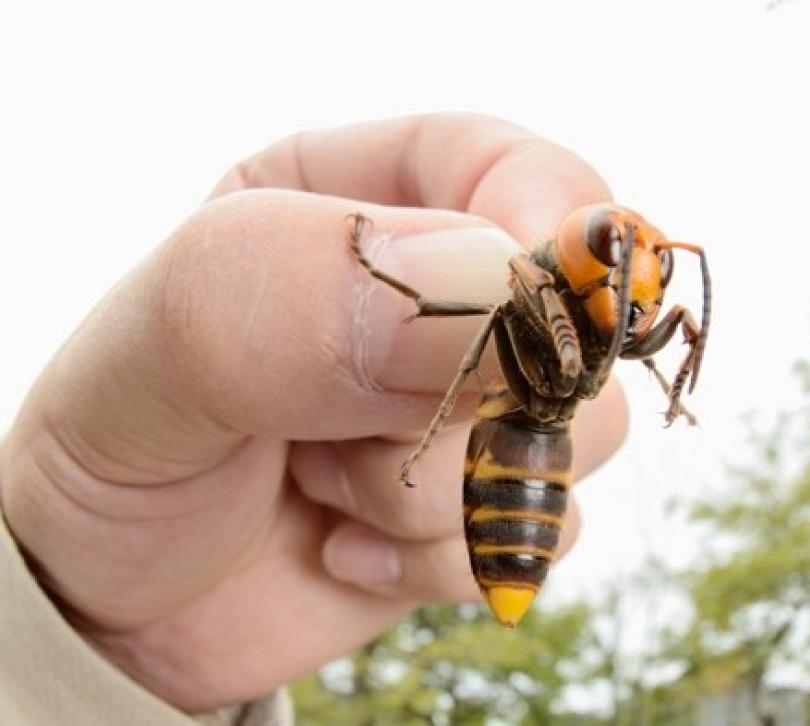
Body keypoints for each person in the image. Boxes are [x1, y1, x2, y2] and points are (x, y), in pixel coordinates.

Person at [0, 114, 628, 725]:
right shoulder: (527, 277)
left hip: (530, 453)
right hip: (516, 459)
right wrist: (72, 645)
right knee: (489, 315)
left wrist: (98, 661)